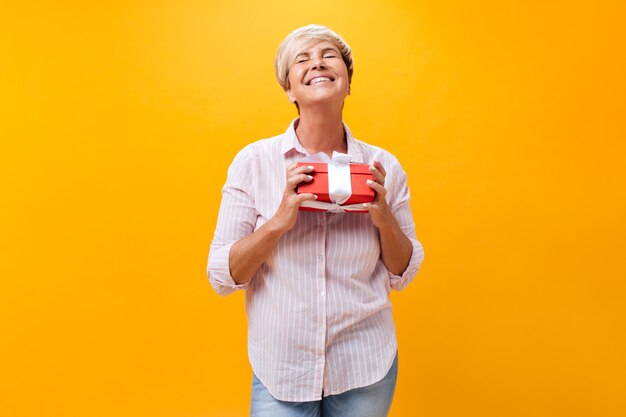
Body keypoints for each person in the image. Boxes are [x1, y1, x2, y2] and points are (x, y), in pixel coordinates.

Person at [207, 24, 425, 417]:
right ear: (289, 90)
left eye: (329, 55)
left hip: (365, 365)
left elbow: (403, 272)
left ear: (347, 82)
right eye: (301, 60)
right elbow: (222, 276)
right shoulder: (254, 163)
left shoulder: (383, 166)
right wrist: (278, 221)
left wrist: (383, 215)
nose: (317, 64)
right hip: (282, 369)